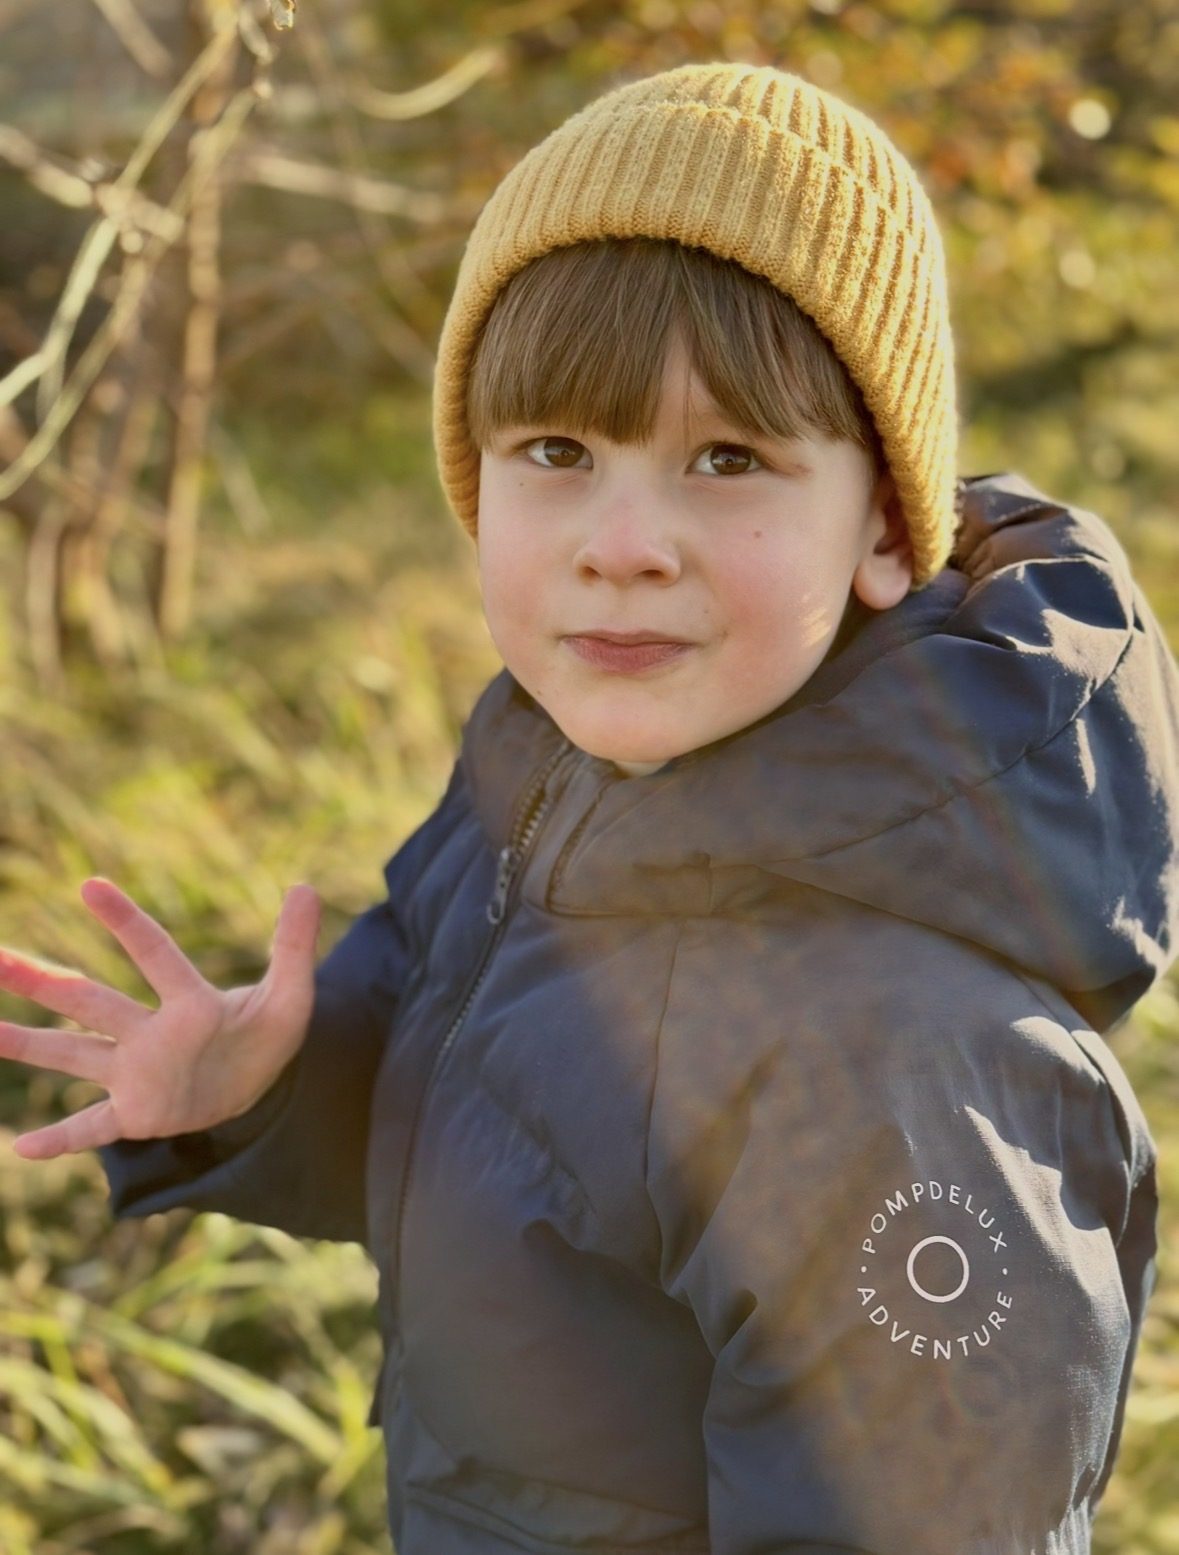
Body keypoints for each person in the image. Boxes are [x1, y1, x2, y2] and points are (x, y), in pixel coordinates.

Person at [2, 60, 1178, 1555]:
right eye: (558, 453)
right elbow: (504, 1099)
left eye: (728, 459)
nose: (624, 545)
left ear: (888, 528)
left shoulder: (897, 1067)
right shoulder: (549, 768)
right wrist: (274, 1090)